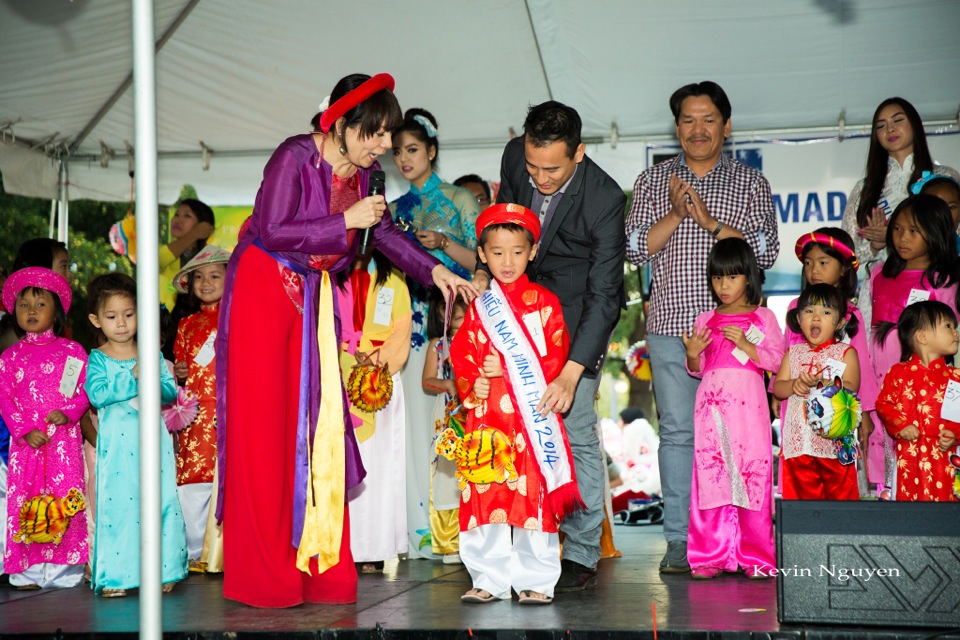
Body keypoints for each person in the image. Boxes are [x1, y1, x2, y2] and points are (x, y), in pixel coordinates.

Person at [214, 73, 474, 609]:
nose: (383, 146)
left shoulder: (368, 174)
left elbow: (382, 234)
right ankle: (263, 573)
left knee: (318, 429)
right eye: (375, 133)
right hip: (265, 293)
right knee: (266, 431)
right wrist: (344, 220)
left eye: (389, 136)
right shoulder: (293, 157)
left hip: (311, 300)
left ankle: (319, 567)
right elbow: (271, 228)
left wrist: (435, 272)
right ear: (342, 122)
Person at [624, 81, 779, 572]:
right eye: (688, 120)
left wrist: (709, 222)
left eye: (708, 119)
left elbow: (767, 250)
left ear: (727, 126)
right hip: (674, 325)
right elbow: (632, 250)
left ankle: (738, 544)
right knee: (677, 434)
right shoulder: (653, 181)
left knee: (740, 437)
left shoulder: (750, 183)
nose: (697, 129)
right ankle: (679, 542)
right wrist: (676, 213)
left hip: (737, 331)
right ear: (676, 127)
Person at [490, 100, 625, 591]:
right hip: (516, 311)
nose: (540, 178)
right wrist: (488, 279)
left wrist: (573, 370)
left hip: (572, 320)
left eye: (552, 169)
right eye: (532, 166)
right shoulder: (513, 157)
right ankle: (515, 537)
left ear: (579, 154)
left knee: (577, 433)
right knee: (510, 428)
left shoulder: (605, 197)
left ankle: (583, 551)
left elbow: (606, 294)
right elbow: (501, 224)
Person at [447, 203, 581, 605]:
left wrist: (504, 366)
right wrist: (474, 384)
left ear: (533, 251)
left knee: (532, 499)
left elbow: (557, 356)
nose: (508, 261)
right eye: (498, 252)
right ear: (483, 255)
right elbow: (462, 353)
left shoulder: (545, 303)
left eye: (518, 251)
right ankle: (487, 577)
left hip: (530, 420)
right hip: (488, 420)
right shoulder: (479, 307)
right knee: (485, 493)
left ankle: (536, 579)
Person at [389, 108, 482, 557]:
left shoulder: (462, 201)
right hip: (409, 326)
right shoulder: (393, 210)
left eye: (412, 150)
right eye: (398, 152)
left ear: (431, 151)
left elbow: (481, 264)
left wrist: (444, 245)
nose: (404, 159)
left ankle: (459, 523)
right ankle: (418, 527)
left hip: (456, 320)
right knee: (412, 424)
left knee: (451, 421)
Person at [681, 238, 784, 579]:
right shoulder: (705, 317)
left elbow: (777, 360)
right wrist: (694, 352)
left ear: (748, 277)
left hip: (750, 407)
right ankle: (709, 555)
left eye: (732, 277)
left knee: (751, 472)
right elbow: (696, 368)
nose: (723, 286)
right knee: (712, 474)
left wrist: (747, 346)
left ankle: (756, 556)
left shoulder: (764, 317)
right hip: (711, 406)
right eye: (717, 278)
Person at [84, 273, 188, 597]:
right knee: (119, 506)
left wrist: (151, 378)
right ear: (96, 320)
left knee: (161, 500)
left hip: (152, 444)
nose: (122, 324)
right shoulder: (98, 358)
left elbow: (169, 392)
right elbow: (97, 394)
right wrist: (131, 377)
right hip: (116, 448)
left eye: (129, 314)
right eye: (112, 317)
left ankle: (166, 568)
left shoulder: (151, 355)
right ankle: (117, 576)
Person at [0, 268, 89, 590]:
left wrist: (69, 413)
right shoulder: (10, 358)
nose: (31, 311)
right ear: (14, 313)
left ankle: (66, 570)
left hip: (64, 443)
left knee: (67, 499)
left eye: (40, 304)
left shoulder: (73, 351)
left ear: (57, 311)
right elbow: (4, 398)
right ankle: (27, 571)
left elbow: (83, 391)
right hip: (26, 446)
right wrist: (23, 431)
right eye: (24, 305)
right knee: (26, 501)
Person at [841, 97, 960, 332]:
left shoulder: (944, 178)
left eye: (897, 121)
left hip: (934, 283)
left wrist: (898, 235)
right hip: (881, 288)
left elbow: (954, 233)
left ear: (915, 124)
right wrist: (875, 246)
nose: (890, 129)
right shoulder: (865, 189)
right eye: (881, 125)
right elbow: (847, 253)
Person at [337, 250, 412, 574]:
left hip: (378, 382)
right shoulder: (330, 277)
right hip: (338, 377)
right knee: (341, 463)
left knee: (379, 467)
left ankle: (374, 548)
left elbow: (401, 331)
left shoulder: (393, 281)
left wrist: (376, 359)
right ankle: (343, 547)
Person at [788, 229, 878, 487]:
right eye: (808, 263)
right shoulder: (795, 308)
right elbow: (787, 357)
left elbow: (862, 367)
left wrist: (866, 413)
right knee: (802, 477)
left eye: (823, 263)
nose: (814, 270)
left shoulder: (852, 313)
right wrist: (776, 395)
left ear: (843, 270)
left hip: (837, 412)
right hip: (798, 408)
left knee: (839, 478)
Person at [171, 245, 230, 572]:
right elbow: (182, 366)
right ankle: (195, 551)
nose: (206, 282)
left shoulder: (240, 315)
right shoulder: (186, 324)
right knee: (193, 482)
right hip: (194, 416)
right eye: (199, 277)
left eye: (214, 275)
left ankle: (226, 552)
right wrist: (179, 372)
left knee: (229, 479)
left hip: (229, 410)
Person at [773, 284, 861, 500]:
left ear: (840, 322)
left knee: (839, 502)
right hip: (799, 445)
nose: (816, 317)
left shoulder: (845, 352)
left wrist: (826, 383)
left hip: (834, 444)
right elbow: (778, 387)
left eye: (826, 312)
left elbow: (852, 386)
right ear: (798, 318)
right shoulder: (793, 353)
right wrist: (794, 385)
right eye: (809, 311)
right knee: (802, 507)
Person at [875, 301, 960, 501]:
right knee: (909, 514)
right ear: (922, 337)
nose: (956, 333)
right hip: (908, 455)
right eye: (948, 326)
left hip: (944, 456)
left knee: (946, 513)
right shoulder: (897, 373)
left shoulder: (956, 377)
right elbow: (883, 404)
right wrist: (901, 424)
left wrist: (954, 433)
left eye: (955, 327)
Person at [421, 292, 469, 564]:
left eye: (460, 303)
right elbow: (427, 381)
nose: (455, 310)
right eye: (446, 307)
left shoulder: (480, 336)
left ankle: (478, 539)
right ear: (439, 314)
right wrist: (449, 385)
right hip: (448, 412)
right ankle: (450, 543)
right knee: (447, 473)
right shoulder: (438, 345)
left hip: (475, 409)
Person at [161, 199, 216, 360]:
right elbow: (159, 259)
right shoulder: (160, 249)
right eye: (176, 214)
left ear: (204, 226)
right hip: (163, 329)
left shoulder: (211, 258)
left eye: (187, 216)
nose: (178, 219)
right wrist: (194, 234)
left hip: (198, 329)